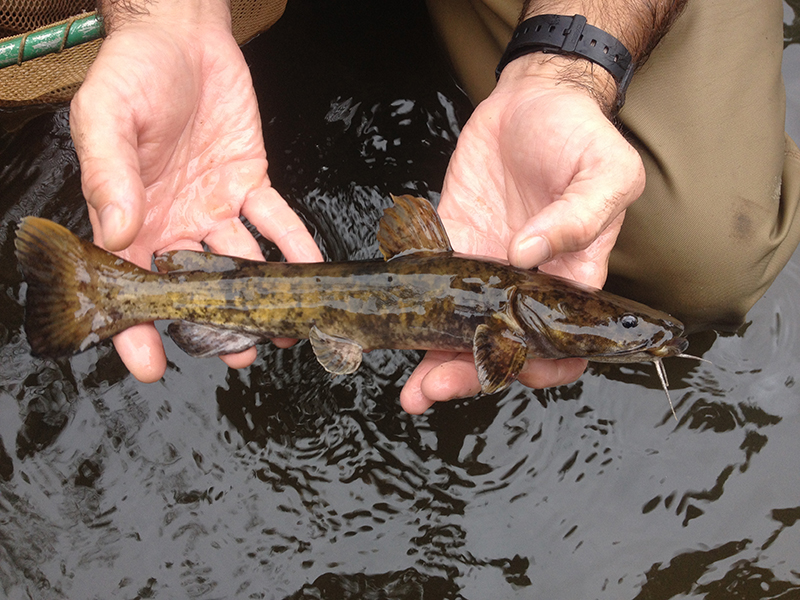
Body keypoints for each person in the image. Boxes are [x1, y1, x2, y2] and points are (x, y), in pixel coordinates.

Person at [69, 0, 800, 415]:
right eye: (629, 327)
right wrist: (163, 14)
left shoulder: (513, 324)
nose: (637, 332)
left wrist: (568, 68)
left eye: (629, 328)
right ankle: (115, 292)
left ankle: (124, 293)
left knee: (710, 251)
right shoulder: (511, 329)